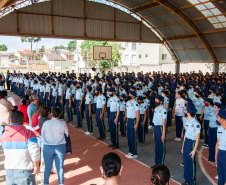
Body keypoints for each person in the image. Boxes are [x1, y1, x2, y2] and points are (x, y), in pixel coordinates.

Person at [1, 111, 40, 185]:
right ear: (24, 120)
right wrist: (36, 165)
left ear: (11, 121)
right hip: (25, 171)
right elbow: (35, 151)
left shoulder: (4, 135)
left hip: (9, 172)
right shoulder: (29, 133)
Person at [41, 107, 68, 185]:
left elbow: (42, 134)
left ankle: (46, 183)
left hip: (48, 146)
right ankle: (61, 183)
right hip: (60, 145)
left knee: (47, 167)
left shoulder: (46, 123)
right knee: (60, 167)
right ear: (59, 114)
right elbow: (67, 134)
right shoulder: (62, 123)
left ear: (51, 114)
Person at [181, 104, 200, 185]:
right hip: (186, 143)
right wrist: (183, 146)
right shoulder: (187, 121)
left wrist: (194, 150)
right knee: (186, 162)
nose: (185, 111)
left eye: (186, 110)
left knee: (191, 163)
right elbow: (185, 134)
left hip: (192, 143)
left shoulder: (196, 123)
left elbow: (198, 138)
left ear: (188, 112)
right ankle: (187, 180)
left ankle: (192, 182)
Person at [151, 95, 167, 169]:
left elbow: (164, 123)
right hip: (156, 128)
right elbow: (154, 121)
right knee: (156, 146)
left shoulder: (163, 110)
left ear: (161, 101)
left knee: (161, 147)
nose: (155, 101)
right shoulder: (155, 109)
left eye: (157, 100)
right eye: (155, 100)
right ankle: (157, 162)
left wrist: (163, 134)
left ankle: (161, 163)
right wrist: (154, 132)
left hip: (161, 128)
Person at [125, 91, 140, 159]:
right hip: (129, 120)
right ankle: (130, 151)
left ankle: (134, 153)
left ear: (133, 96)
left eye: (130, 94)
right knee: (129, 137)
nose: (129, 95)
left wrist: (136, 123)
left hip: (133, 120)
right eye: (129, 94)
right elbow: (128, 113)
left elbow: (138, 114)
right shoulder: (128, 102)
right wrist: (127, 121)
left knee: (133, 137)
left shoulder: (135, 103)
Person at [215, 110, 226, 185]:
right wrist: (216, 156)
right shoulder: (221, 129)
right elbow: (218, 143)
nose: (217, 119)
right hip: (220, 154)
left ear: (223, 119)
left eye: (218, 118)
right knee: (220, 177)